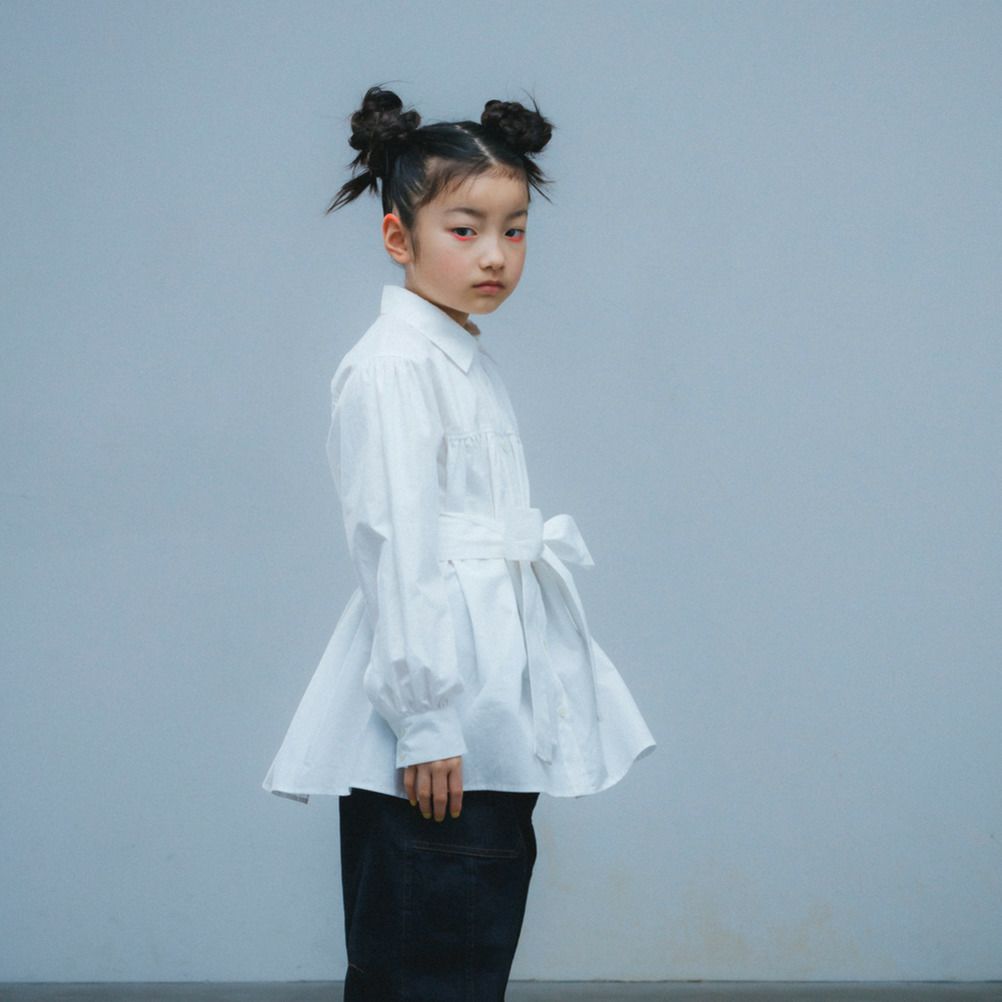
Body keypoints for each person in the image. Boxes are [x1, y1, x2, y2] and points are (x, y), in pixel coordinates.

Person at [261, 84, 657, 1000]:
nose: (494, 254)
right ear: (398, 237)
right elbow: (396, 547)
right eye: (465, 228)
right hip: (443, 717)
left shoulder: (459, 358)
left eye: (514, 230)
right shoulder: (396, 367)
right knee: (431, 950)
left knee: (463, 944)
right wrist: (428, 719)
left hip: (487, 704)